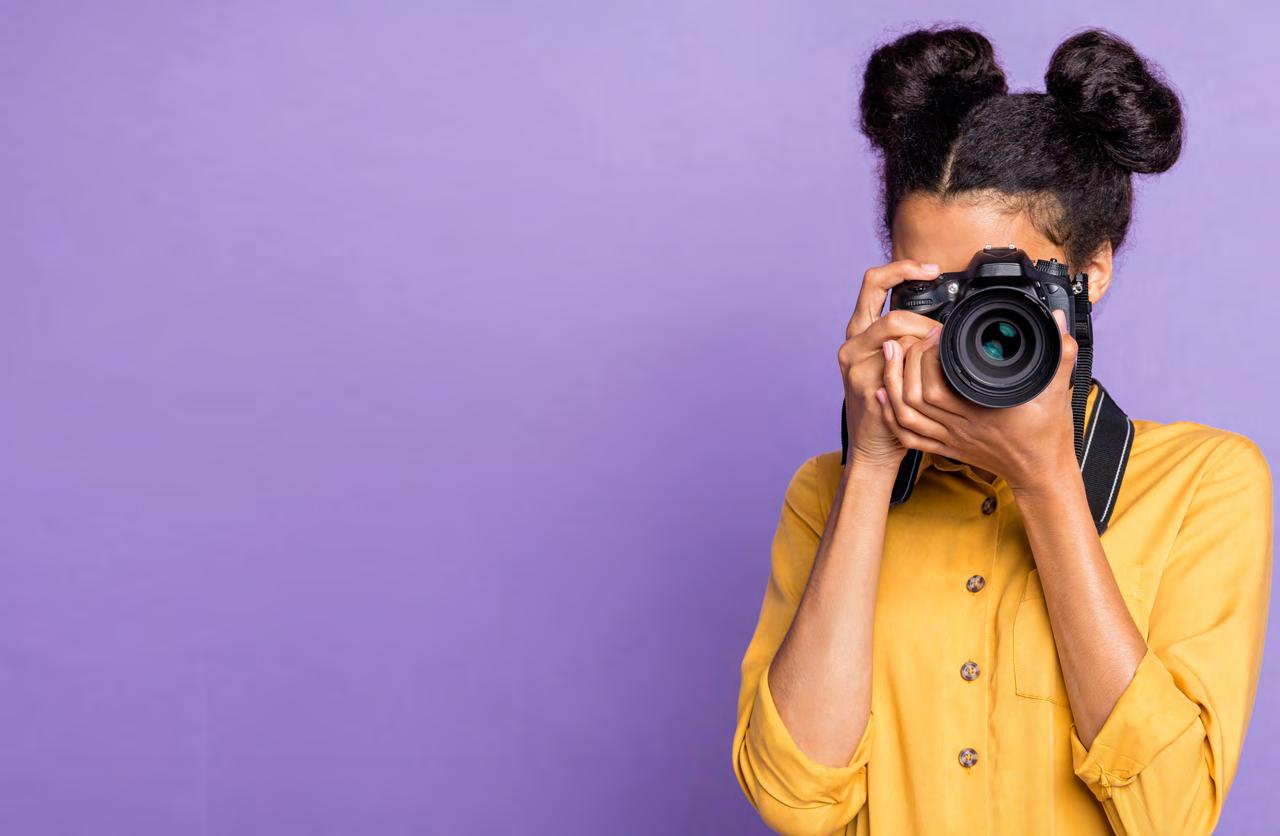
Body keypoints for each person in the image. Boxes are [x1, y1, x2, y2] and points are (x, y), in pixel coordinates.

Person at [731, 25, 1273, 836]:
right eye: (935, 292)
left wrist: (1046, 481)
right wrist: (870, 466)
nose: (967, 327)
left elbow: (1171, 817)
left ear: (1091, 273)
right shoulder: (828, 494)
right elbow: (793, 802)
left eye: (999, 292)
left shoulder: (1205, 483)